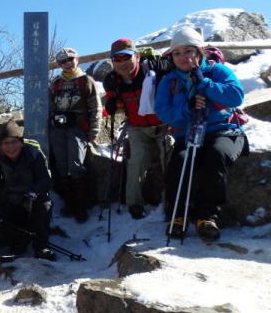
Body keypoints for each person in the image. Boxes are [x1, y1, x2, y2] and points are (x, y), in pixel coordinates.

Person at [154, 27, 246, 241]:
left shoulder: (217, 71)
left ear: (199, 51)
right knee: (179, 161)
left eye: (188, 51)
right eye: (177, 53)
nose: (183, 57)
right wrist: (187, 107)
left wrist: (205, 83)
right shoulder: (170, 81)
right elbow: (164, 113)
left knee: (216, 155)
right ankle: (178, 215)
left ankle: (207, 217)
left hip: (224, 130)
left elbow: (236, 97)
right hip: (189, 134)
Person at [103, 39, 171, 219]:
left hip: (164, 124)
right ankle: (134, 203)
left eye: (126, 57)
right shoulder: (112, 81)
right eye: (117, 59)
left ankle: (171, 200)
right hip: (137, 127)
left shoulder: (154, 70)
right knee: (136, 161)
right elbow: (110, 100)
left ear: (137, 56)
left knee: (169, 156)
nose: (122, 63)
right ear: (112, 62)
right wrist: (111, 104)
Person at [0, 120, 57, 261]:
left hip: (33, 197)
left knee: (44, 205)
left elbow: (46, 181)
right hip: (11, 197)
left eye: (14, 142)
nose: (10, 147)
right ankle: (18, 241)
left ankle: (41, 245)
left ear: (21, 142)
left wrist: (33, 192)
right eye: (6, 143)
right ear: (1, 145)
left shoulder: (34, 154)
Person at [49, 48, 101, 222]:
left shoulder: (86, 81)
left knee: (76, 165)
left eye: (70, 59)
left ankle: (81, 205)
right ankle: (69, 202)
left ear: (77, 59)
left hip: (78, 129)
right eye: (63, 61)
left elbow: (95, 107)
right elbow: (50, 106)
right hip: (57, 129)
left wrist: (94, 131)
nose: (68, 63)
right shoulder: (56, 82)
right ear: (59, 64)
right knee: (61, 166)